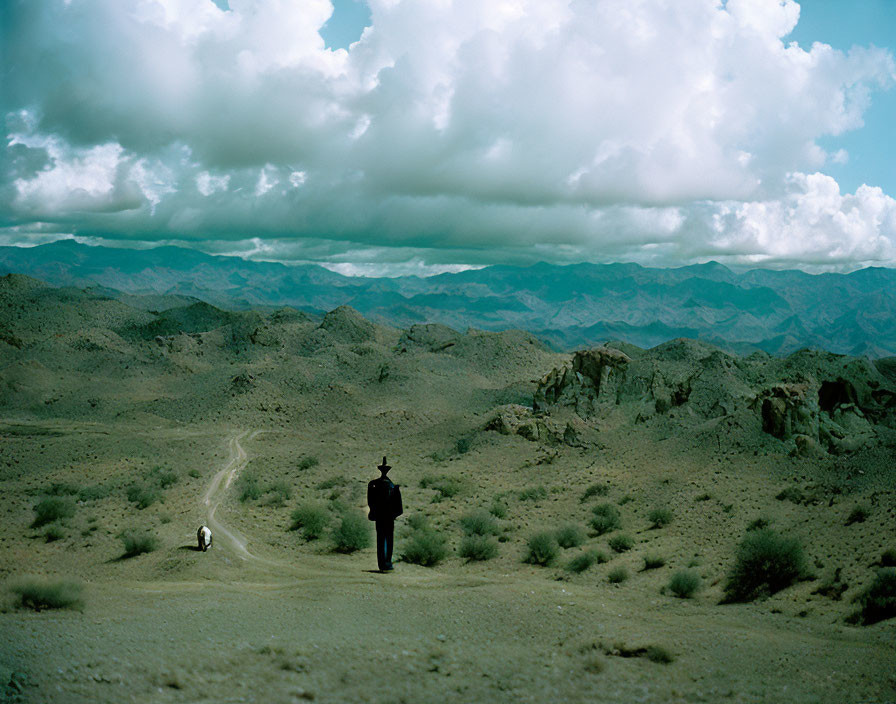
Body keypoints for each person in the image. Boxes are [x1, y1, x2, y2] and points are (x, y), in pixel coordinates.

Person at [367, 456, 403, 571]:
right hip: (389, 517)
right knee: (389, 539)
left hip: (380, 517)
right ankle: (387, 562)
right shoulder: (393, 487)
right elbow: (399, 507)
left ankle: (383, 564)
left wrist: (374, 512)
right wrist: (393, 514)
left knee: (381, 539)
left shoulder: (374, 484)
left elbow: (370, 501)